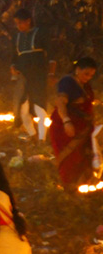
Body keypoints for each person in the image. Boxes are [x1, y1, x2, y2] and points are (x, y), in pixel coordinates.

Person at [49, 57, 95, 189]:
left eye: (91, 75)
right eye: (86, 73)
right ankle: (70, 187)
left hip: (83, 127)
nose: (88, 77)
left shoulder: (85, 85)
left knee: (84, 155)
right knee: (70, 158)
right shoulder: (67, 81)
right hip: (66, 128)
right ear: (77, 69)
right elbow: (60, 102)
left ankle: (84, 184)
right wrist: (66, 121)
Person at [10, 11, 51, 137]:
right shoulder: (17, 37)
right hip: (23, 74)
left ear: (28, 21)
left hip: (38, 73)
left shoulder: (40, 33)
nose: (18, 26)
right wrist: (13, 67)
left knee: (39, 104)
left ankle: (42, 137)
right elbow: (14, 55)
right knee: (22, 105)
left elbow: (50, 54)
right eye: (16, 23)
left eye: (20, 23)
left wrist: (51, 73)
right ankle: (32, 134)